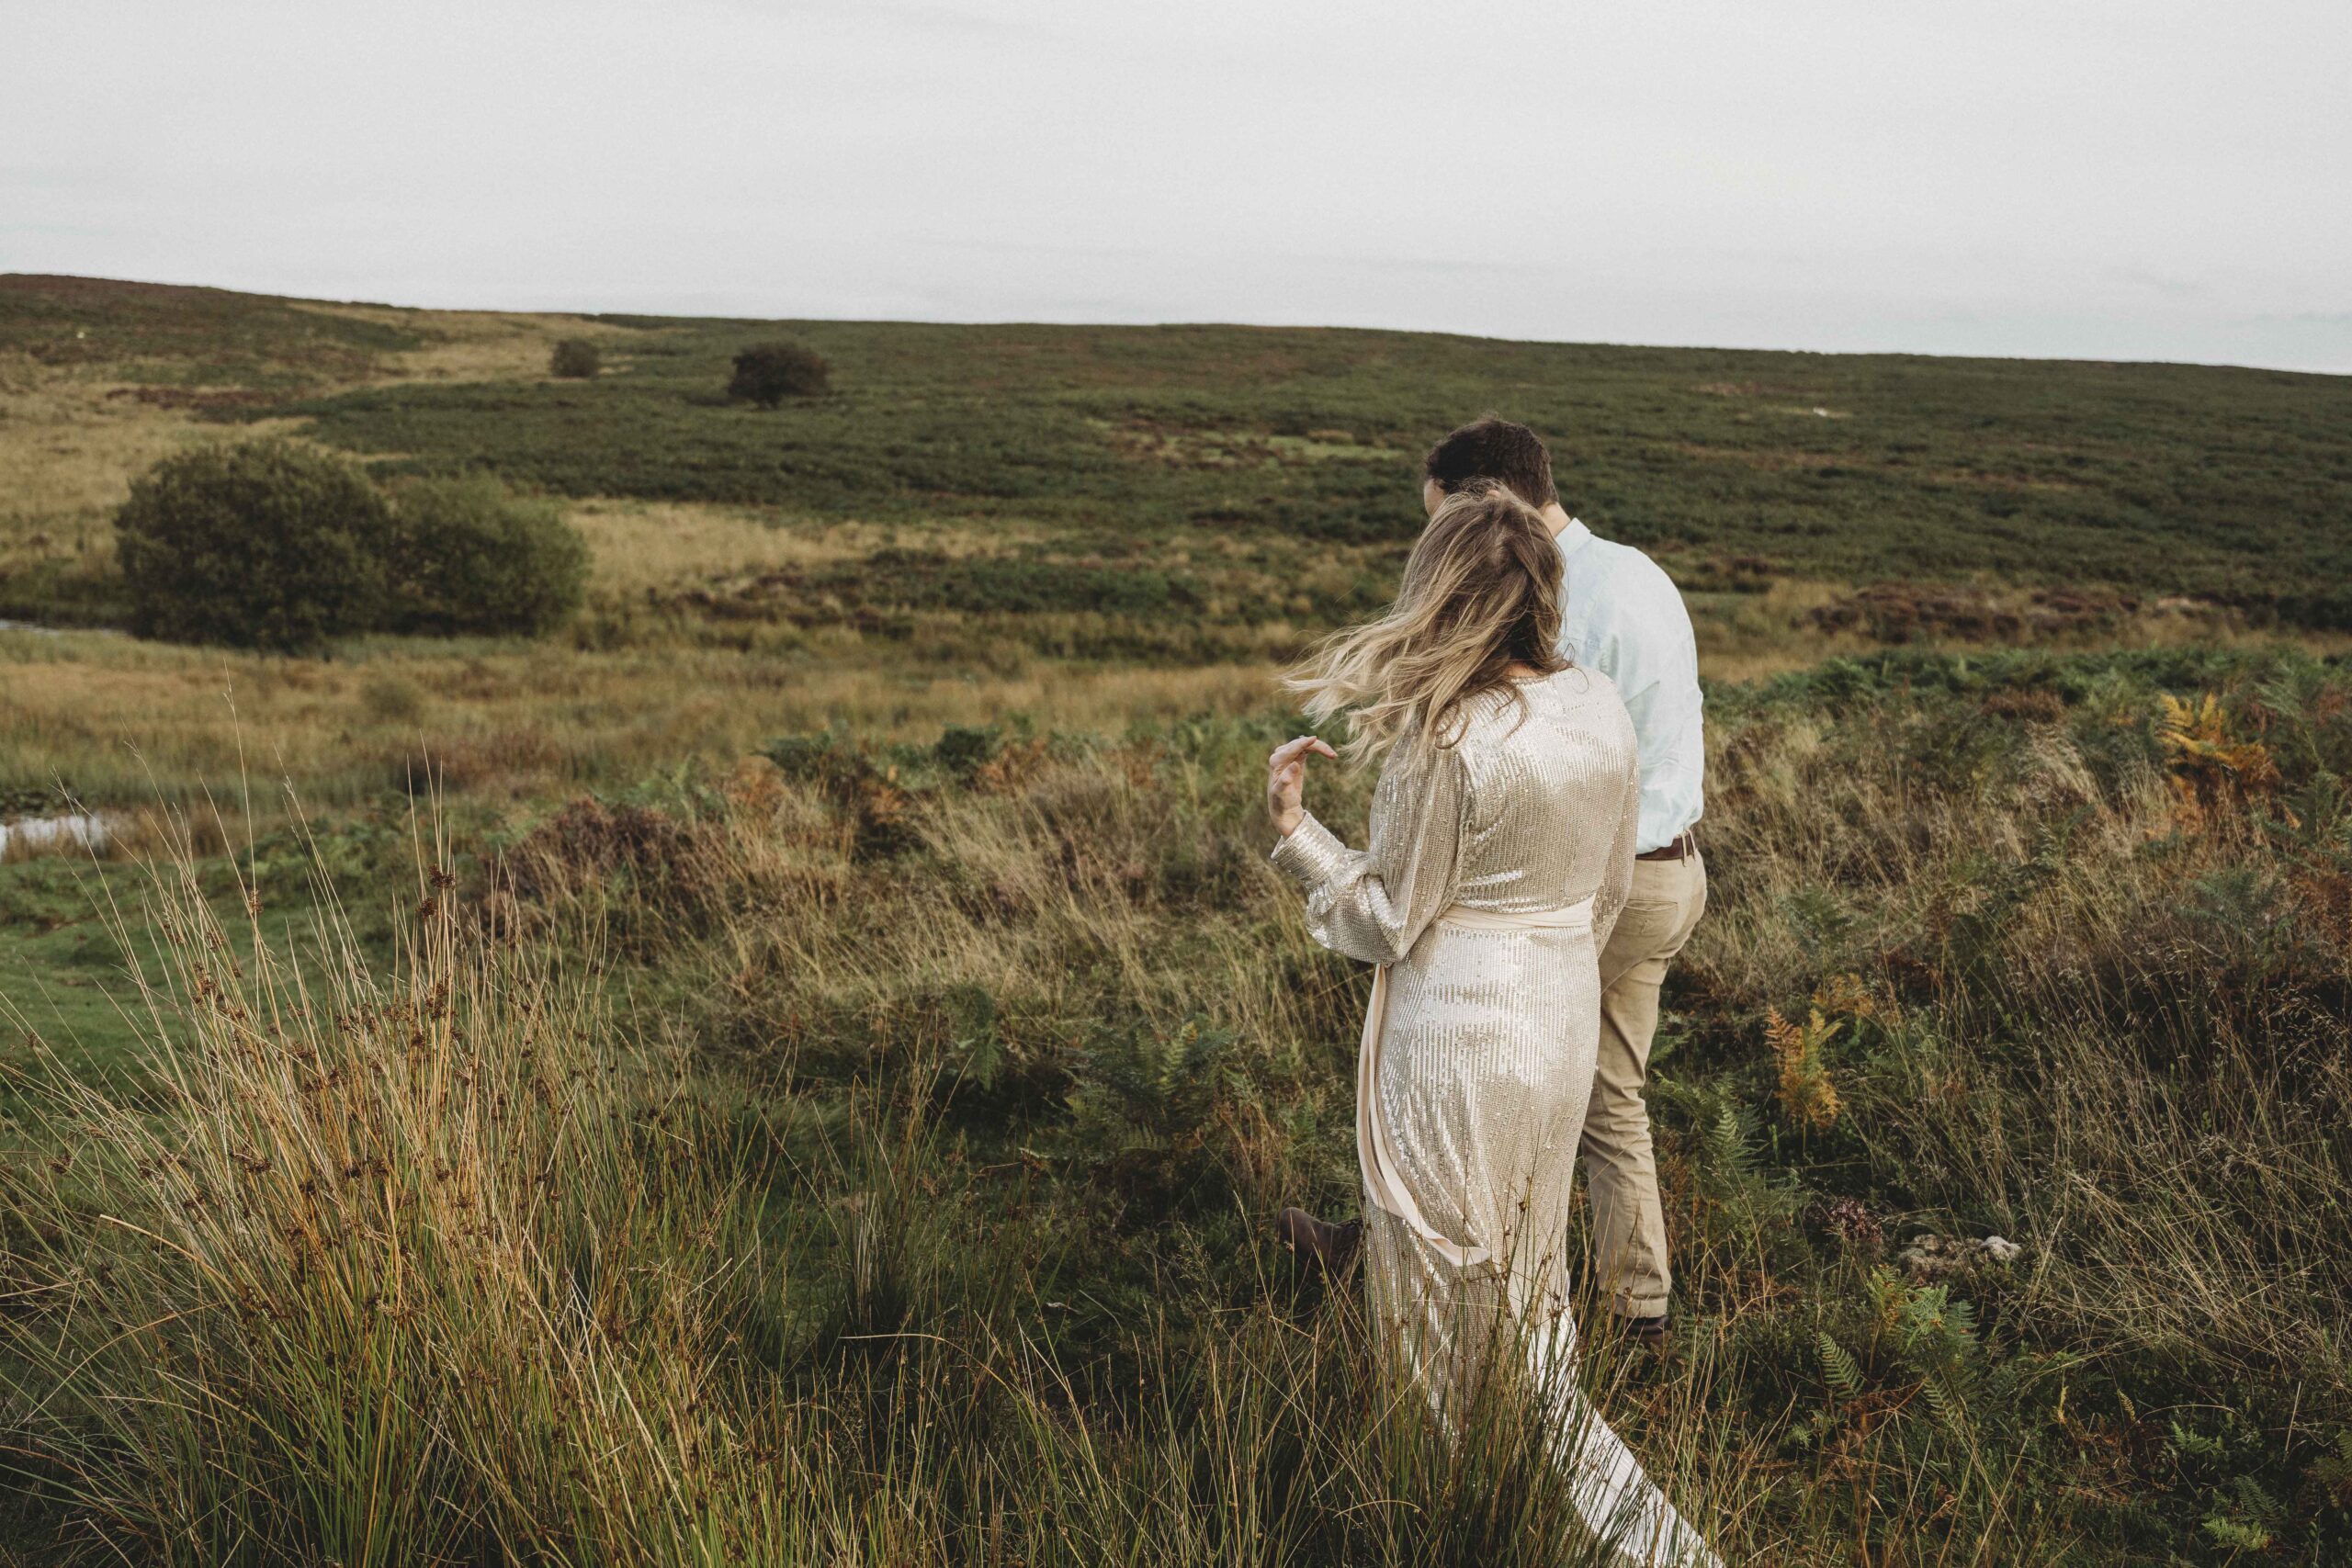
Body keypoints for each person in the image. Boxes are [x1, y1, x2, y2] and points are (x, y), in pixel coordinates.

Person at [1265, 483, 1720, 1567]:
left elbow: (1384, 920)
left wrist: (1295, 833)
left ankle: (1441, 1514)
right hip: (1556, 1020)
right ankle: (1546, 1500)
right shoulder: (1599, 707)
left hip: (1455, 1044)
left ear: (1440, 592)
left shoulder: (1445, 736)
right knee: (1526, 1287)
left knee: (1429, 1289)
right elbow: (1606, 892)